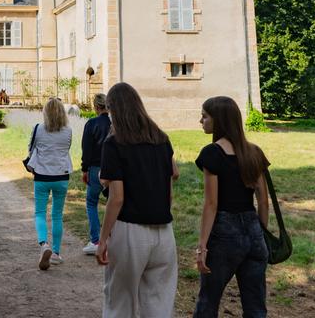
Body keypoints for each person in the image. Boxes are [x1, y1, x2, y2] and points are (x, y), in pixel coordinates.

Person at [96, 82, 179, 318]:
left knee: (119, 302)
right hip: (164, 231)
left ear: (113, 109)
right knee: (159, 303)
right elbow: (170, 185)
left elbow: (117, 198)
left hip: (130, 230)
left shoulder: (115, 143)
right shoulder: (162, 139)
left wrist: (103, 239)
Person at [194, 96, 270, 318]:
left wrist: (202, 246)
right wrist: (261, 233)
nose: (201, 121)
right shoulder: (254, 152)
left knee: (208, 302)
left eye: (205, 116)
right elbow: (263, 200)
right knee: (256, 307)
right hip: (254, 231)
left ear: (219, 120)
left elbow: (211, 204)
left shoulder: (212, 153)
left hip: (224, 233)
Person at [26, 97, 73, 270]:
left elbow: (31, 149)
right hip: (61, 175)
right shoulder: (68, 131)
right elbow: (66, 149)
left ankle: (44, 243)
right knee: (57, 215)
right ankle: (56, 253)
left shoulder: (38, 129)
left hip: (42, 175)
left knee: (40, 212)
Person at [80, 93, 111, 255]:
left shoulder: (91, 124)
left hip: (94, 168)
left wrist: (84, 169)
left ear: (96, 107)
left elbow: (86, 149)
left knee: (91, 202)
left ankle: (95, 240)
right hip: (112, 169)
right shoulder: (114, 124)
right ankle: (112, 239)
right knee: (112, 203)